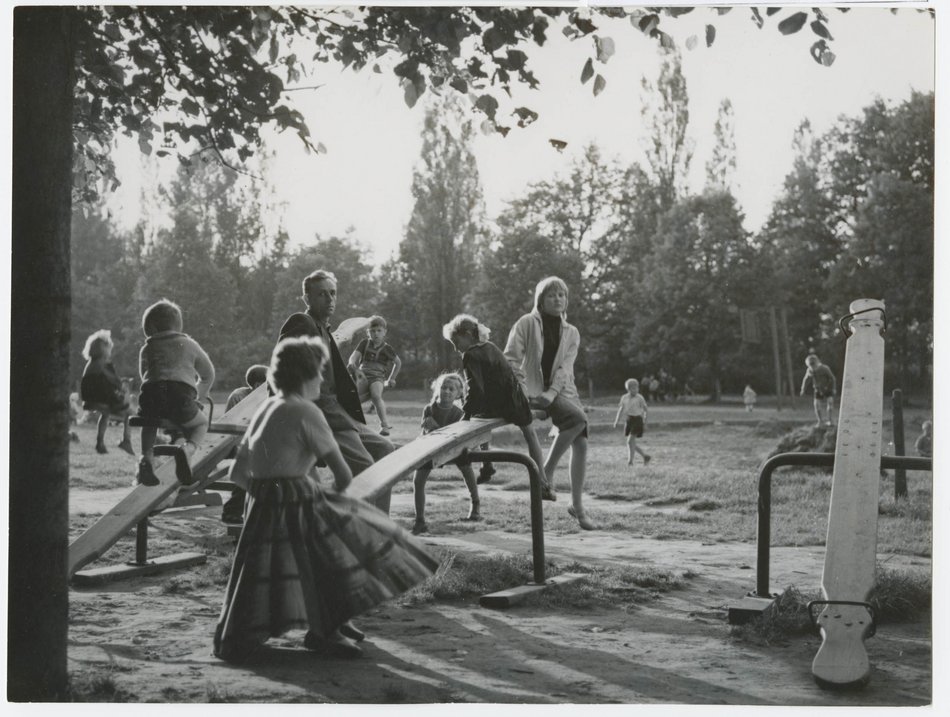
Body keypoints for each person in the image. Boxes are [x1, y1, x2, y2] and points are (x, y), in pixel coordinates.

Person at [213, 336, 438, 663]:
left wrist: (266, 496)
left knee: (263, 571)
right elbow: (344, 474)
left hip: (261, 505)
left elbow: (237, 473)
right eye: (319, 373)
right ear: (306, 375)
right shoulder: (307, 411)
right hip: (298, 499)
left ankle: (325, 623)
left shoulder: (266, 407)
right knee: (331, 559)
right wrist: (325, 499)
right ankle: (326, 631)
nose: (322, 379)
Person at [278, 270, 395, 514]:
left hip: (338, 412)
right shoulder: (302, 322)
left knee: (385, 449)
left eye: (333, 294)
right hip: (320, 414)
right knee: (365, 466)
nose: (330, 299)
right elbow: (282, 368)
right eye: (322, 294)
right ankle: (360, 530)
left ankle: (380, 523)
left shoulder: (323, 329)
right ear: (306, 298)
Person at [504, 276, 595, 530]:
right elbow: (511, 359)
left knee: (582, 443)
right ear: (540, 301)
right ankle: (546, 474)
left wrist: (552, 393)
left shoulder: (572, 332)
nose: (557, 299)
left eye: (562, 295)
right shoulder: (526, 323)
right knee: (578, 420)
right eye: (551, 295)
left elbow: (566, 368)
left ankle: (574, 504)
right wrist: (524, 391)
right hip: (531, 389)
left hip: (563, 391)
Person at [442, 313, 554, 502]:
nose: (455, 347)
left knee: (477, 422)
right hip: (515, 399)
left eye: (456, 341)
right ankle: (542, 481)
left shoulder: (470, 354)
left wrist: (466, 413)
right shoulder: (490, 347)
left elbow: (476, 388)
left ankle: (487, 463)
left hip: (498, 405)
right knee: (530, 434)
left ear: (468, 335)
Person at [136, 299, 216, 486]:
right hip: (179, 395)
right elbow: (208, 374)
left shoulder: (147, 347)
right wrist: (199, 397)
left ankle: (145, 458)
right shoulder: (189, 344)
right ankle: (187, 449)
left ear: (153, 327)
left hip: (151, 395)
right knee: (201, 423)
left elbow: (144, 376)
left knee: (149, 423)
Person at [411, 372, 481, 535]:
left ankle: (475, 503)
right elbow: (424, 432)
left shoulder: (459, 413)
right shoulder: (429, 409)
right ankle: (420, 520)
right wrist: (428, 430)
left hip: (452, 448)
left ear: (458, 393)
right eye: (444, 387)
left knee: (466, 467)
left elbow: (457, 437)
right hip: (430, 448)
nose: (447, 391)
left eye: (451, 389)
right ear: (437, 389)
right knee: (418, 480)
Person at [220, 364, 269, 525]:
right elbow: (231, 427)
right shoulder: (239, 396)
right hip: (233, 442)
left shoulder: (267, 398)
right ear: (257, 385)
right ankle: (232, 511)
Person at [79, 329, 135, 456]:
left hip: (91, 398)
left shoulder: (91, 363)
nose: (110, 351)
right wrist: (123, 384)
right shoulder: (101, 363)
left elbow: (107, 380)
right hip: (100, 399)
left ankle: (100, 443)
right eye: (109, 348)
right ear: (104, 349)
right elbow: (111, 381)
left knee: (105, 414)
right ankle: (126, 441)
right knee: (130, 413)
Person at [347, 315, 401, 436]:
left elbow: (398, 363)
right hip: (362, 375)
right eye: (372, 331)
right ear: (368, 332)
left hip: (377, 377)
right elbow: (353, 357)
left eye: (379, 331)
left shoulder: (387, 348)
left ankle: (385, 425)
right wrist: (351, 364)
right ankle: (352, 424)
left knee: (376, 396)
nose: (376, 334)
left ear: (384, 332)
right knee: (351, 399)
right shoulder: (364, 343)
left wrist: (392, 378)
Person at [613, 379, 652, 466]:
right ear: (628, 389)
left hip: (637, 420)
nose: (635, 390)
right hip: (629, 420)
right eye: (633, 388)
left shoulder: (640, 398)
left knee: (630, 441)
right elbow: (621, 409)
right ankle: (645, 456)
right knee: (631, 442)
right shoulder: (624, 398)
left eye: (637, 388)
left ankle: (630, 462)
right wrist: (616, 421)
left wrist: (645, 423)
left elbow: (646, 410)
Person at [800, 354, 837, 427]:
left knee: (830, 402)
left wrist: (833, 388)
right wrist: (803, 389)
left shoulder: (824, 368)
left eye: (814, 365)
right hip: (818, 389)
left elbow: (832, 378)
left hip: (827, 387)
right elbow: (806, 379)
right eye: (811, 366)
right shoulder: (810, 370)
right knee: (816, 404)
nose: (813, 368)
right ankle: (820, 421)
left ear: (817, 363)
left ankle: (830, 420)